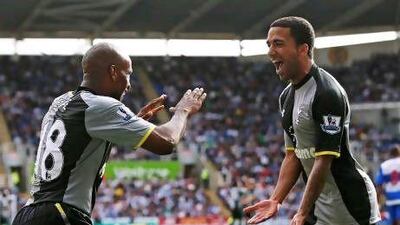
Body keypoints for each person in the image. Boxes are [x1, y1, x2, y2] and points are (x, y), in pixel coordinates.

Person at [12, 43, 207, 225]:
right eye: (128, 74)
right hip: (61, 215)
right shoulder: (101, 106)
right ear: (113, 72)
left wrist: (131, 124)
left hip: (28, 214)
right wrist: (183, 110)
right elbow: (167, 142)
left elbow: (79, 147)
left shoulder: (62, 101)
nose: (129, 84)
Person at [243, 16, 380, 225]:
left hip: (349, 204)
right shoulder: (286, 97)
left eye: (278, 44)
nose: (270, 52)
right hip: (317, 204)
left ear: (303, 49)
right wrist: (275, 199)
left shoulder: (327, 93)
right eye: (269, 44)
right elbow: (293, 155)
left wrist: (302, 211)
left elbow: (324, 159)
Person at [376, 145, 400, 225]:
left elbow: (379, 184)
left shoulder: (384, 165)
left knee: (392, 221)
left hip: (390, 198)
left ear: (390, 154)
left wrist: (380, 198)